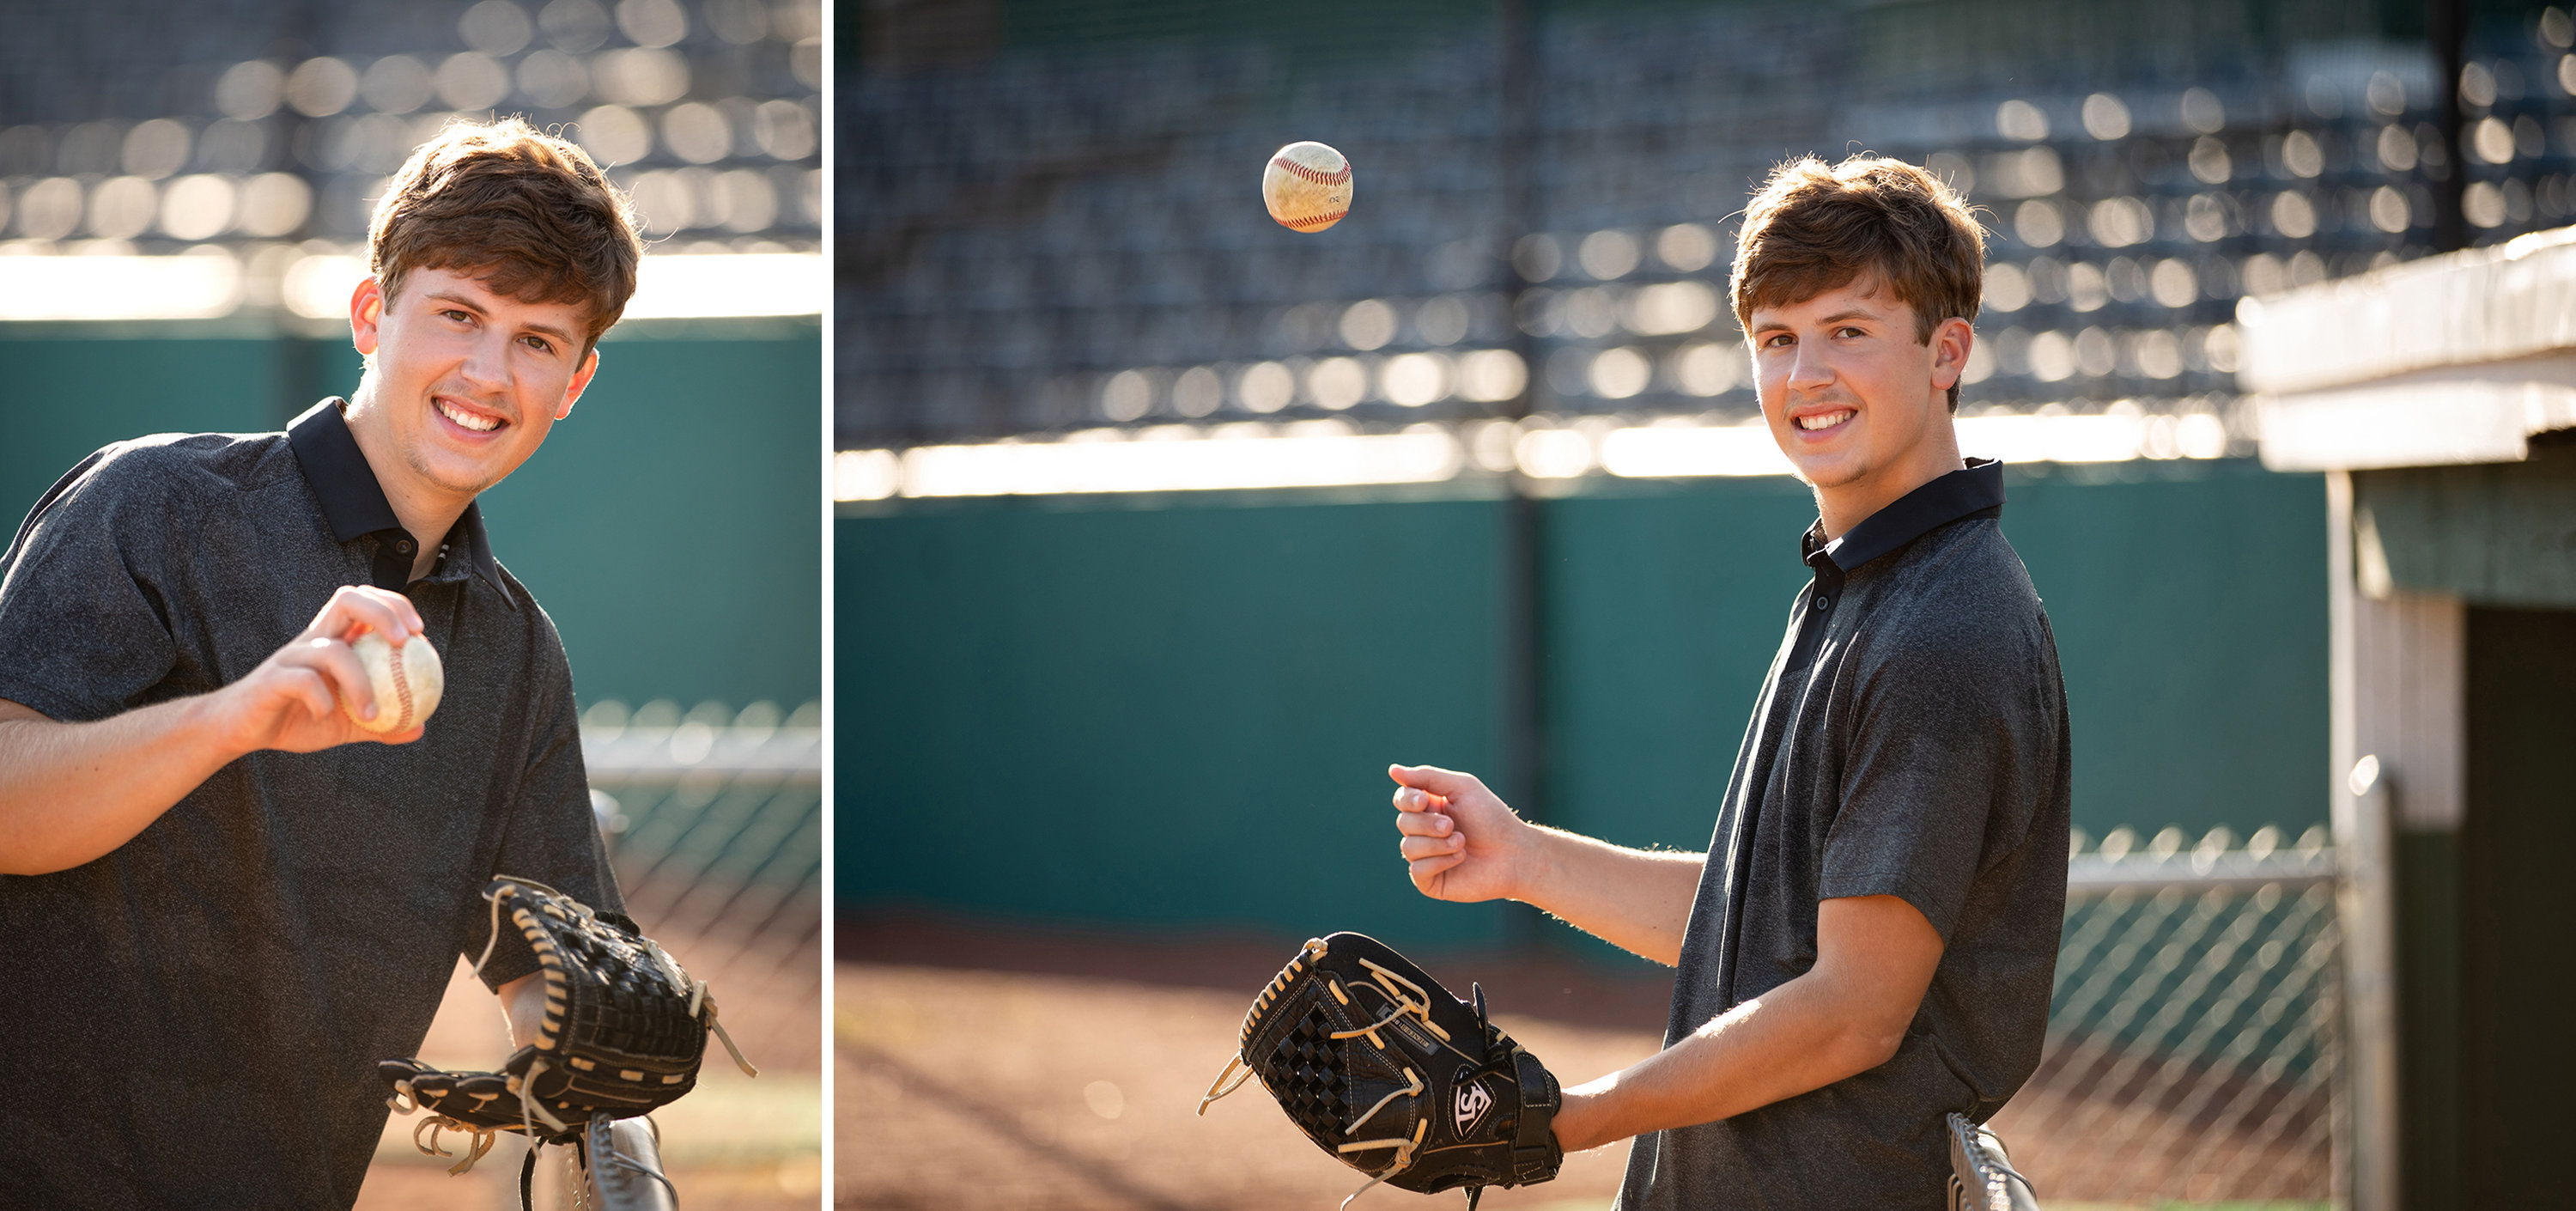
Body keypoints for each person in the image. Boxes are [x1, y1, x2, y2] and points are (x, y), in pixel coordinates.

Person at [1387, 155, 2070, 1208]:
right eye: (1776, 340)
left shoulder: (1945, 626)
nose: (1806, 377)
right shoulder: (1863, 583)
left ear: (1947, 352)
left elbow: (1852, 1010)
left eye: (1849, 331)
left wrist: (1568, 1119)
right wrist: (1521, 857)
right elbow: (1773, 925)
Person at [0, 118, 644, 1207]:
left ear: (574, 383)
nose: (488, 372)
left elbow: (545, 957)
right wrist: (240, 714)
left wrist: (596, 1024)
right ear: (370, 316)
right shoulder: (156, 505)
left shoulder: (517, 652)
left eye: (537, 340)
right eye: (459, 314)